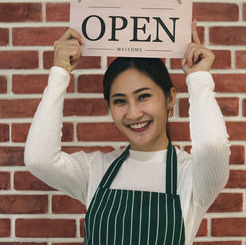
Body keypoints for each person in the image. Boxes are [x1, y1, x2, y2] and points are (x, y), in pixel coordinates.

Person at [24, 20, 230, 245]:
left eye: (143, 96)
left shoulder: (192, 176)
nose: (133, 113)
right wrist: (60, 72)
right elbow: (38, 159)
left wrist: (198, 77)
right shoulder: (95, 170)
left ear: (170, 99)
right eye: (120, 101)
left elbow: (213, 145)